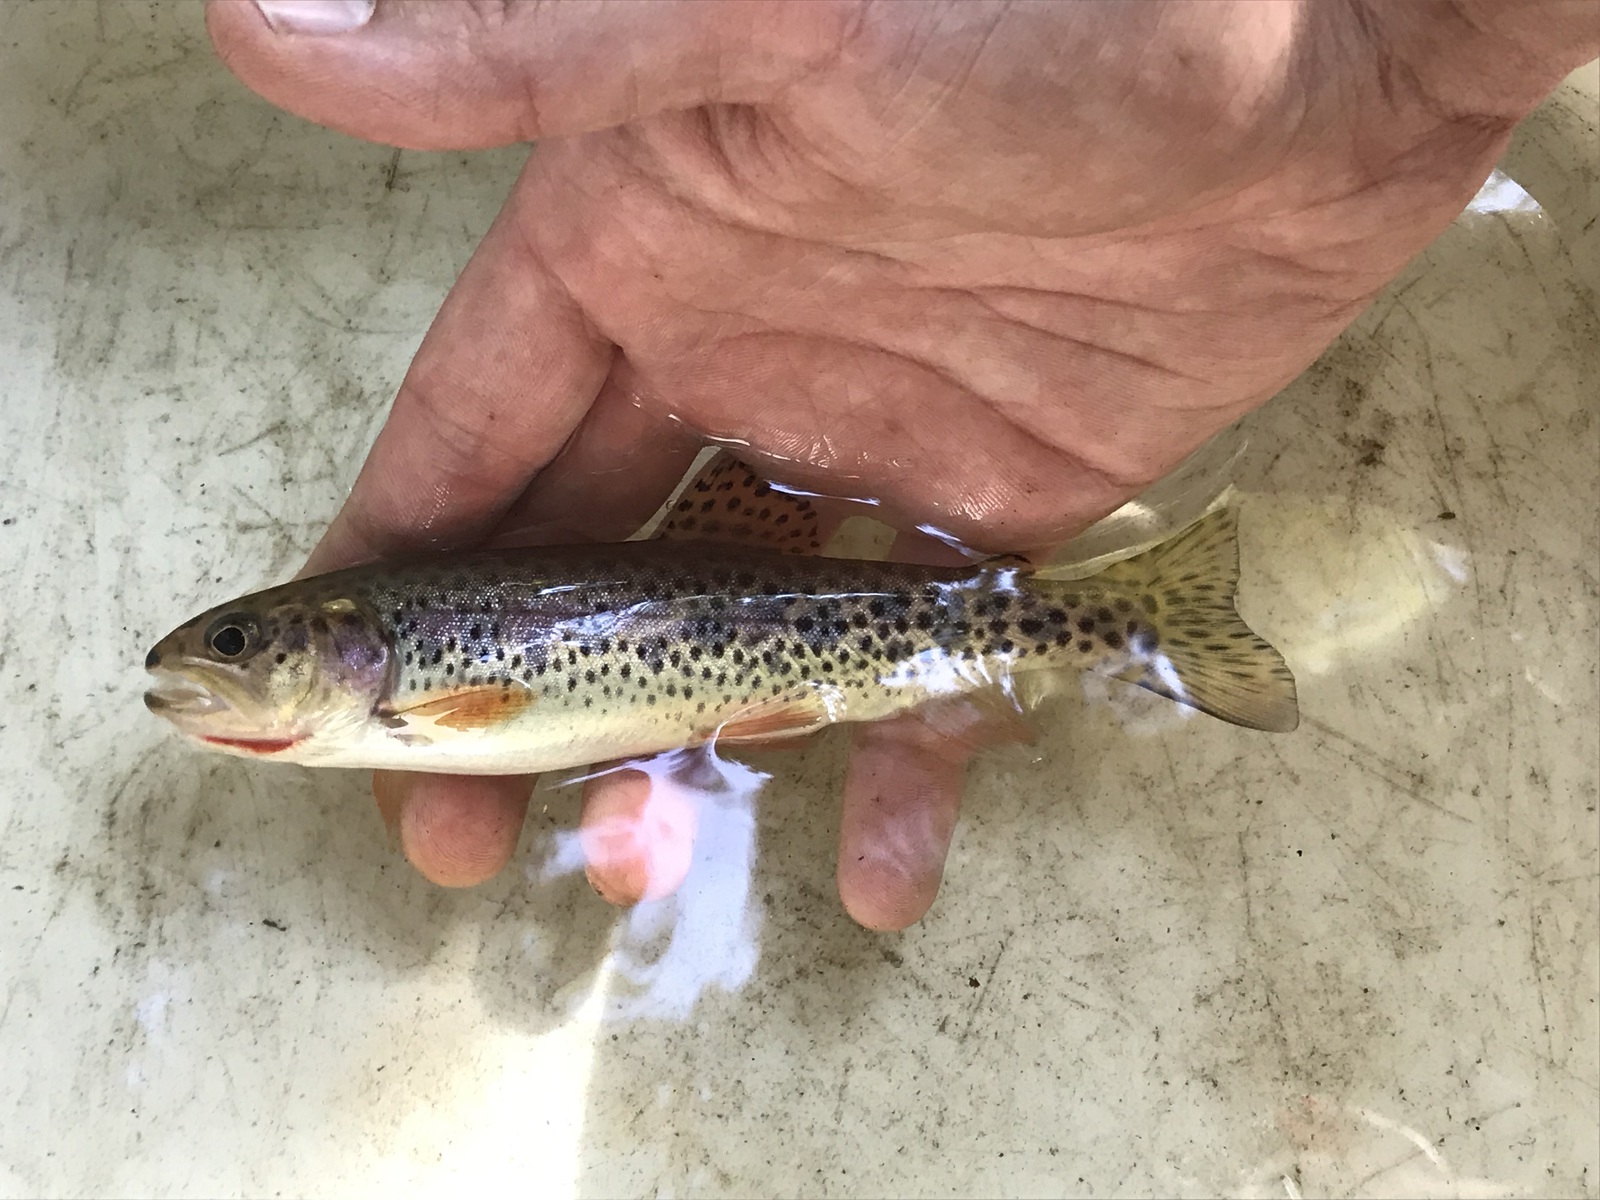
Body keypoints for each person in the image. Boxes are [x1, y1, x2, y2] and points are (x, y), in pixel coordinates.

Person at [204, 0, 1597, 929]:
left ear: (345, 642)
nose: (217, 665)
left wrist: (1389, 52)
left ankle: (1135, 610)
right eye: (240, 643)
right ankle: (1136, 610)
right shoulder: (402, 678)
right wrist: (1392, 56)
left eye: (247, 641)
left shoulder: (422, 688)